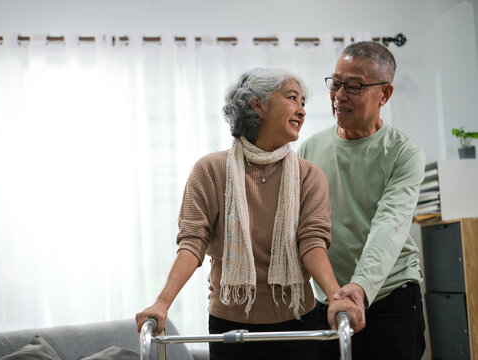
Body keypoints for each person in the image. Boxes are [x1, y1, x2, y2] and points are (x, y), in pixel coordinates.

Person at [136, 68, 363, 360]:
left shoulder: (309, 175)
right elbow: (192, 243)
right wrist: (162, 303)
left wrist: (335, 297)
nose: (301, 111)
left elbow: (312, 242)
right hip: (228, 324)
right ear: (258, 104)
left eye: (304, 103)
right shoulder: (210, 170)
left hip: (298, 321)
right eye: (293, 98)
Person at [297, 41, 426, 360]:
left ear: (384, 94)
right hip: (330, 299)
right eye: (336, 83)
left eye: (354, 86)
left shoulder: (403, 154)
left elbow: (390, 226)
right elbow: (301, 230)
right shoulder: (310, 151)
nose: (339, 95)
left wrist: (361, 287)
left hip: (389, 295)